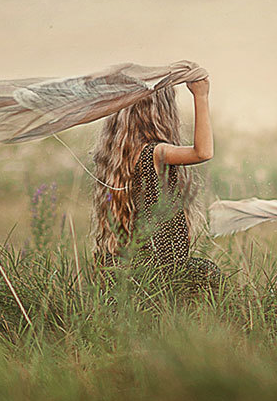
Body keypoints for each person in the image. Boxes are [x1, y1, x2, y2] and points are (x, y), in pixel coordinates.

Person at [91, 73, 215, 282]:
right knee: (207, 275)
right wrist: (201, 96)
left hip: (135, 266)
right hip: (160, 269)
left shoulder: (118, 160)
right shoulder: (155, 153)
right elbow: (203, 152)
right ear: (160, 112)